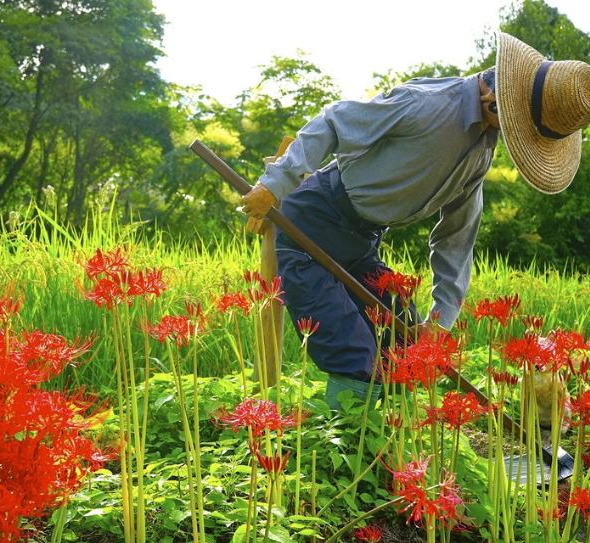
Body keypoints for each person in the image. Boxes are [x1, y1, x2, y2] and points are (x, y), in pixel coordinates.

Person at [241, 32, 590, 409]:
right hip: (312, 224)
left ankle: (392, 443)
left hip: (361, 241)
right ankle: (345, 455)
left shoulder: (482, 147)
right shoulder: (427, 104)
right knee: (354, 357)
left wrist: (439, 321)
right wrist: (275, 184)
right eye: (518, 126)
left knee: (406, 345)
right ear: (493, 97)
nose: (511, 136)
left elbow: (457, 239)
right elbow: (335, 122)